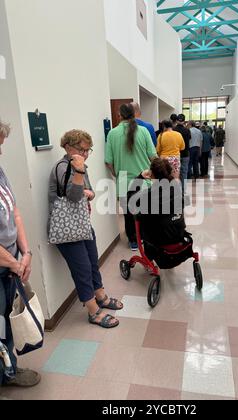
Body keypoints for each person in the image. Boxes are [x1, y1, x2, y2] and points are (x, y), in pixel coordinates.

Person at [49, 129, 122, 329]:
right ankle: (93, 311)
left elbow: (88, 192)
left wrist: (86, 190)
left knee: (92, 262)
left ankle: (100, 295)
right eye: (82, 149)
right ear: (68, 147)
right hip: (67, 230)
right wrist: (80, 174)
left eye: (88, 150)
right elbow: (73, 196)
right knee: (81, 270)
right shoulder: (63, 167)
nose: (86, 154)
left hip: (81, 224)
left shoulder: (80, 166)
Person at [0, 119, 41, 388]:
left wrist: (25, 253)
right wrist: (15, 262)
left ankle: (8, 372)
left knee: (8, 318)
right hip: (6, 263)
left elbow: (15, 211)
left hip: (10, 261)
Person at [105, 104, 157, 251]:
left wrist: (117, 173)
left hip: (123, 181)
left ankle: (133, 241)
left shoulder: (112, 134)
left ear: (119, 115)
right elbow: (153, 156)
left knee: (128, 214)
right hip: (144, 180)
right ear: (134, 115)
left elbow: (108, 161)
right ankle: (146, 238)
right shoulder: (144, 131)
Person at [128, 158, 186, 251]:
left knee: (139, 216)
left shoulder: (149, 195)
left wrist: (140, 177)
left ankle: (149, 255)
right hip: (179, 235)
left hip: (160, 240)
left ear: (151, 174)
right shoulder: (177, 189)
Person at [173, 114, 191, 192]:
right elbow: (189, 140)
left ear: (177, 120)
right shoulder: (187, 130)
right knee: (184, 172)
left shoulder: (173, 130)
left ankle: (176, 190)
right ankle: (183, 190)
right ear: (184, 121)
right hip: (185, 154)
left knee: (175, 173)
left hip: (175, 154)